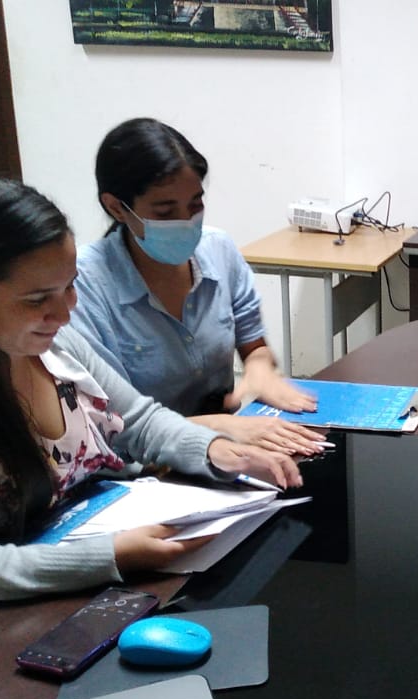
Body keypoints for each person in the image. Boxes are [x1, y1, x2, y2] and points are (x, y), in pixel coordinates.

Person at [0, 178, 301, 683]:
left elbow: (138, 419)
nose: (65, 312)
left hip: (68, 607)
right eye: (37, 299)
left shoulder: (56, 347)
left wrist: (216, 451)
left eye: (69, 286)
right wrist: (105, 557)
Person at [69, 117, 325, 457]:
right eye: (165, 211)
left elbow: (254, 345)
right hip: (143, 466)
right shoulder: (83, 285)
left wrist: (260, 369)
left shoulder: (219, 250)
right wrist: (221, 427)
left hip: (227, 452)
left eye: (195, 204)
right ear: (117, 207)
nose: (186, 221)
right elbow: (113, 423)